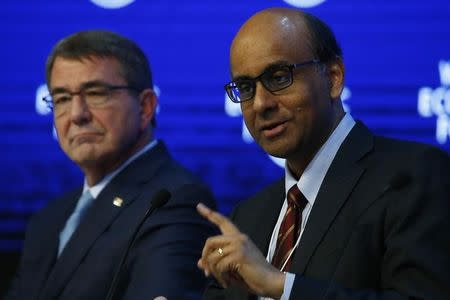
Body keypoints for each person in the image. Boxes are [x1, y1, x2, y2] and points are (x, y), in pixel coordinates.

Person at [197, 7, 450, 300]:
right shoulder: (248, 216)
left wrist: (281, 286)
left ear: (333, 78)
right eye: (245, 87)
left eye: (278, 78)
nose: (260, 104)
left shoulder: (414, 177)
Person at [6, 30, 217, 300]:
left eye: (95, 93)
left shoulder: (173, 201)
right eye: (61, 99)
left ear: (145, 107)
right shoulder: (48, 220)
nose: (76, 114)